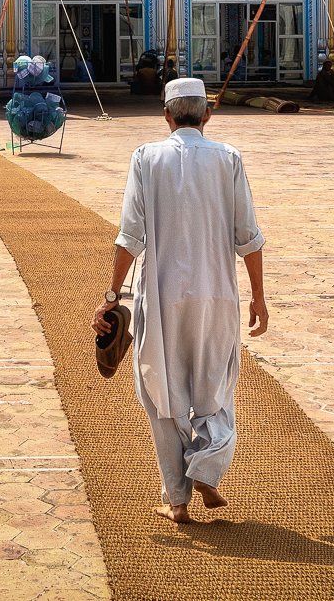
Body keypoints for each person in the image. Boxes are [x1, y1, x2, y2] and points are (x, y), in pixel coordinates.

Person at [92, 77, 267, 524]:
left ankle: (178, 501)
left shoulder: (146, 158)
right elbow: (248, 237)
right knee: (216, 385)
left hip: (161, 294)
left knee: (161, 393)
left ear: (166, 116)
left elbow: (130, 237)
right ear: (207, 115)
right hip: (217, 296)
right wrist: (259, 299)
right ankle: (208, 462)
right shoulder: (228, 158)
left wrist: (112, 295)